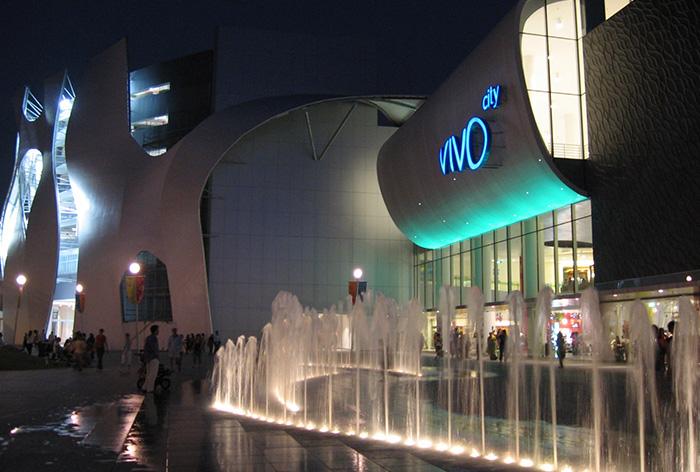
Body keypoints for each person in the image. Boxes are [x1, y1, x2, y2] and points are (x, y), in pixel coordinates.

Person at [143, 325, 160, 393]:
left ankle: (145, 387)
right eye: (157, 330)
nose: (158, 331)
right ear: (155, 331)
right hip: (153, 358)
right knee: (153, 374)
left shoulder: (148, 338)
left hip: (148, 358)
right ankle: (150, 388)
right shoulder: (154, 338)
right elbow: (154, 348)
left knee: (148, 374)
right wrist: (157, 355)